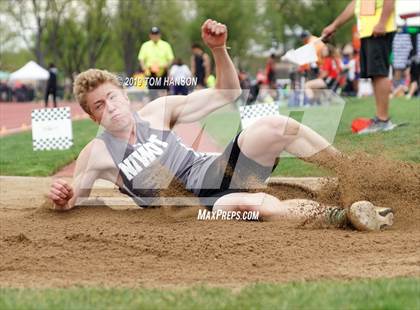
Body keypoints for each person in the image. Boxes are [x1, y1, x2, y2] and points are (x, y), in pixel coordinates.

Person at [48, 19, 393, 232]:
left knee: (276, 125)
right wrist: (63, 197)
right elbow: (75, 195)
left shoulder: (157, 110)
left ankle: (353, 175)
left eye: (112, 97)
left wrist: (219, 50)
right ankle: (347, 216)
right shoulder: (96, 153)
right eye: (99, 106)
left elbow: (228, 92)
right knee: (247, 206)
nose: (110, 107)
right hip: (199, 210)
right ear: (93, 117)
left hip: (216, 171)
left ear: (123, 95)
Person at [322, 0, 397, 134]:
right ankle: (381, 119)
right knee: (375, 74)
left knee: (379, 73)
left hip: (378, 29)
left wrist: (382, 23)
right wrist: (334, 26)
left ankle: (383, 120)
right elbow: (356, 4)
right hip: (368, 31)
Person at [138, 27, 174, 99]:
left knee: (163, 91)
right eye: (153, 34)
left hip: (162, 71)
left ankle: (164, 106)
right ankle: (153, 106)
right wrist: (144, 68)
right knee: (152, 92)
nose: (155, 36)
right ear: (150, 35)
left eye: (156, 34)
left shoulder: (165, 45)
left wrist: (166, 65)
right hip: (150, 71)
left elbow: (171, 58)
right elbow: (141, 58)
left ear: (159, 35)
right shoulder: (145, 45)